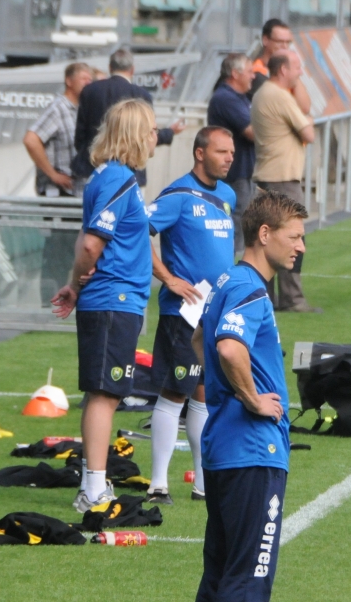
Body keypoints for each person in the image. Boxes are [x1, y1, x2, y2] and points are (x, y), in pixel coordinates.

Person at [192, 191, 307, 602]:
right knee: (247, 581)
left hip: (223, 448)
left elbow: (198, 338)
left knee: (219, 576)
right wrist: (253, 398)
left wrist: (226, 387)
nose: (301, 247)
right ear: (264, 234)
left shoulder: (227, 281)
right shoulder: (251, 290)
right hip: (254, 451)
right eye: (293, 236)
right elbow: (227, 346)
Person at [51, 98, 156, 512]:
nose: (154, 138)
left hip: (110, 299)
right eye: (150, 130)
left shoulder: (104, 177)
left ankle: (94, 481)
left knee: (104, 392)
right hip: (115, 299)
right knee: (105, 395)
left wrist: (74, 285)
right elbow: (92, 243)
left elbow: (85, 238)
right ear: (134, 134)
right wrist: (79, 281)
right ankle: (93, 487)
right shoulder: (118, 179)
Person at [146, 126, 237, 505]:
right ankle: (158, 484)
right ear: (200, 153)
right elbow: (137, 232)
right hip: (182, 314)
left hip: (214, 312)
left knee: (203, 395)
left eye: (231, 151)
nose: (229, 157)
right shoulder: (178, 195)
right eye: (221, 152)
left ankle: (202, 484)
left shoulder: (228, 195)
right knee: (175, 393)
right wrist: (169, 279)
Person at [251, 50, 319, 313]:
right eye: (297, 68)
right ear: (282, 70)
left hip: (267, 176)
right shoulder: (279, 96)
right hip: (282, 179)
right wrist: (308, 122)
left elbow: (304, 109)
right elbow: (308, 132)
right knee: (293, 238)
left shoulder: (264, 93)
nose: (300, 72)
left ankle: (267, 297)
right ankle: (293, 299)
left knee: (266, 241)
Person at [23, 62, 93, 303]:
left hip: (74, 193)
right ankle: (48, 303)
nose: (89, 83)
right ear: (69, 81)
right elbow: (31, 139)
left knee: (69, 251)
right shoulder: (58, 108)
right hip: (57, 192)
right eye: (84, 78)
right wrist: (52, 174)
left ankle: (65, 298)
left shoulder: (80, 110)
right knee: (56, 250)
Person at [72, 48, 185, 188]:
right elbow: (146, 135)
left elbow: (80, 135)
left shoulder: (90, 91)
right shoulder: (141, 95)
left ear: (110, 68)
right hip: (131, 174)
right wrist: (171, 132)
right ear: (132, 70)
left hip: (91, 168)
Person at [207, 53, 256, 255]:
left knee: (243, 221)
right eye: (250, 71)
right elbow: (252, 132)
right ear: (235, 74)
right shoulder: (225, 98)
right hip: (232, 174)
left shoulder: (239, 97)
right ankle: (230, 271)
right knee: (236, 223)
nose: (254, 76)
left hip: (241, 171)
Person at [248, 18, 311, 114]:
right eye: (279, 41)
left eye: (288, 42)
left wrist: (293, 69)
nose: (285, 46)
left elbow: (305, 108)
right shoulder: (257, 72)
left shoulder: (287, 70)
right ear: (265, 40)